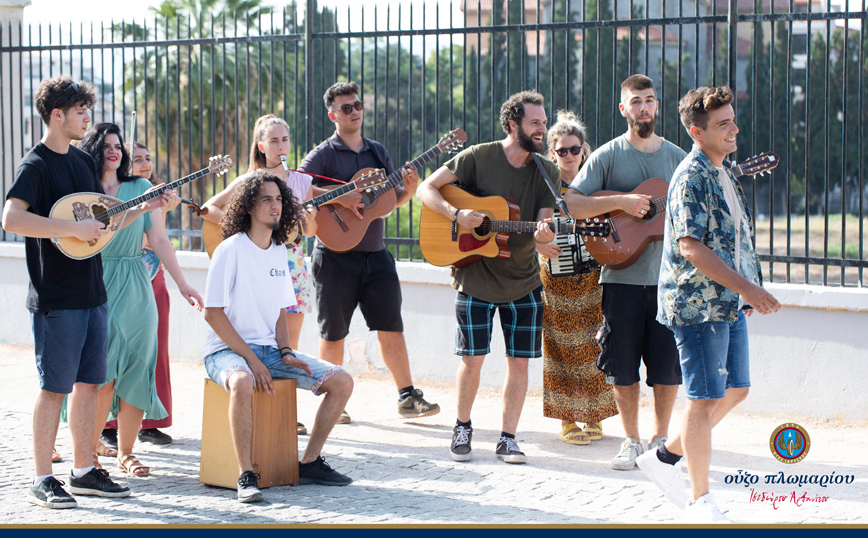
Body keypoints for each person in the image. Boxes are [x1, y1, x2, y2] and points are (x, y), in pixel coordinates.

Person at [2, 77, 168, 508]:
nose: (86, 119)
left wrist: (144, 208)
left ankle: (83, 470)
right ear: (56, 115)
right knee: (53, 388)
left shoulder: (80, 163)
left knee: (90, 384)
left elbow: (101, 228)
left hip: (94, 293)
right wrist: (69, 229)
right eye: (79, 111)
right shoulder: (35, 165)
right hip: (56, 298)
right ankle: (42, 477)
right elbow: (12, 219)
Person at [636, 86, 781, 523]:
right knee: (702, 399)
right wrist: (749, 289)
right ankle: (700, 501)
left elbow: (735, 238)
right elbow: (692, 248)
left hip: (727, 301)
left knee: (736, 389)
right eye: (723, 124)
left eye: (733, 120)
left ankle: (664, 458)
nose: (734, 129)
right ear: (697, 132)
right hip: (698, 306)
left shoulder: (724, 170)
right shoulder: (692, 176)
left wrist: (747, 288)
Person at [417, 90, 558, 464]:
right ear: (513, 124)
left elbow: (544, 218)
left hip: (524, 280)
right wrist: (456, 214)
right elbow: (424, 187)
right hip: (475, 278)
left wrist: (545, 234)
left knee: (519, 362)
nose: (542, 128)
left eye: (544, 122)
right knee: (473, 359)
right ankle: (462, 426)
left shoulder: (548, 170)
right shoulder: (478, 156)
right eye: (535, 122)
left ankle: (508, 438)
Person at [202, 170, 354, 503]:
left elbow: (281, 310)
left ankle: (310, 462)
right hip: (224, 352)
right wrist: (253, 361)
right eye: (267, 200)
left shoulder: (278, 251)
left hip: (269, 351)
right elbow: (213, 314)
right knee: (242, 382)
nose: (276, 206)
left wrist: (285, 350)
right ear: (248, 207)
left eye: (279, 200)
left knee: (341, 381)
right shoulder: (230, 250)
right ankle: (245, 475)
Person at [564, 74, 686, 471]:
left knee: (666, 368)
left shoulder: (678, 158)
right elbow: (573, 203)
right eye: (636, 101)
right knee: (623, 366)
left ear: (657, 105)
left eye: (649, 100)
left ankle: (661, 440)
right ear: (623, 108)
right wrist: (624, 202)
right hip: (620, 279)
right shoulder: (607, 156)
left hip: (669, 282)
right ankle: (631, 441)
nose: (644, 108)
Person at [298, 81, 439, 423]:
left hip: (375, 254)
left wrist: (407, 190)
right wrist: (340, 195)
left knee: (391, 324)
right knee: (334, 332)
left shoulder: (377, 152)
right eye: (347, 108)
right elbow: (295, 187)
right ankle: (334, 399)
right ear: (333, 115)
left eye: (358, 105)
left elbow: (385, 204)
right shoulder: (323, 154)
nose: (355, 112)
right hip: (334, 256)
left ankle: (407, 397)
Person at [77, 123, 203, 478]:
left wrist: (182, 283)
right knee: (99, 373)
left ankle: (126, 452)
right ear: (93, 149)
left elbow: (160, 240)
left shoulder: (140, 187)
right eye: (105, 145)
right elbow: (93, 233)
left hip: (135, 282)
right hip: (95, 281)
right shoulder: (81, 188)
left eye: (118, 145)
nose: (114, 151)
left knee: (137, 369)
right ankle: (88, 450)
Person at [202, 114, 318, 436]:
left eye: (285, 139)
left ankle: (286, 411)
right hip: (255, 256)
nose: (282, 146)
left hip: (290, 261)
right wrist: (241, 225)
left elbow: (310, 230)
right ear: (261, 145)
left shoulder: (301, 182)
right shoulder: (249, 182)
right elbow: (208, 208)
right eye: (275, 140)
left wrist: (307, 218)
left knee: (288, 344)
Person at [535, 111, 618, 445]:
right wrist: (541, 240)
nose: (568, 155)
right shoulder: (542, 184)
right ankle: (567, 419)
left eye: (574, 149)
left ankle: (595, 414)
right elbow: (534, 225)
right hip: (556, 275)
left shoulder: (597, 180)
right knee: (560, 347)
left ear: (585, 149)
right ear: (552, 153)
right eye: (562, 150)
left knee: (596, 343)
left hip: (594, 274)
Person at [101, 142, 181, 450]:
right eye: (136, 159)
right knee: (105, 358)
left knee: (152, 352)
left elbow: (158, 239)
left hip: (150, 277)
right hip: (114, 275)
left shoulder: (150, 192)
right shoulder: (111, 193)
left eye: (148, 158)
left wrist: (159, 208)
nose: (145, 164)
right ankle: (106, 425)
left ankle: (149, 422)